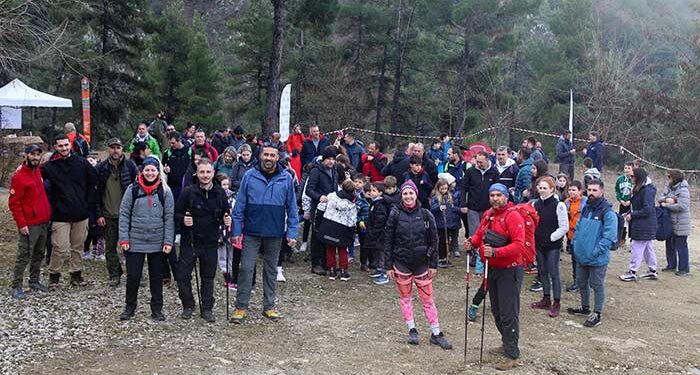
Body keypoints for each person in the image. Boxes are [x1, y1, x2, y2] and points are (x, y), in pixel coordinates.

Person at [231, 143, 299, 323]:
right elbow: (239, 206)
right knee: (246, 268)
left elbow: (292, 208)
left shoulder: (286, 178)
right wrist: (236, 230)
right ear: (261, 156)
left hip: (275, 232)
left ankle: (269, 306)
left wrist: (292, 232)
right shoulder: (249, 176)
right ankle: (240, 307)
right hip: (251, 231)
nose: (269, 158)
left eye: (272, 155)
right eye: (266, 155)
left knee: (271, 270)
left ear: (277, 158)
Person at [464, 183, 527, 370]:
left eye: (499, 195)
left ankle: (512, 355)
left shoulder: (513, 216)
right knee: (497, 311)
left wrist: (496, 253)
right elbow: (479, 235)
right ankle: (507, 344)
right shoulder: (488, 214)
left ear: (506, 197)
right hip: (492, 269)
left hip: (510, 270)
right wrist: (471, 243)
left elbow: (519, 245)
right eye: (492, 195)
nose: (495, 198)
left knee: (509, 312)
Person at [384, 180, 452, 350]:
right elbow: (388, 240)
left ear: (416, 194)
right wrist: (387, 265)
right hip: (401, 263)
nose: (408, 196)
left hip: (422, 263)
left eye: (411, 193)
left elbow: (434, 240)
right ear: (401, 195)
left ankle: (436, 333)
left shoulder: (426, 214)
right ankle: (412, 329)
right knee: (405, 298)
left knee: (428, 300)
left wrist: (433, 264)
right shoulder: (394, 214)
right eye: (405, 193)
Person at [118, 157, 175, 321]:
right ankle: (130, 307)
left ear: (159, 172)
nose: (150, 173)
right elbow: (124, 214)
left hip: (157, 241)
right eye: (147, 170)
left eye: (153, 170)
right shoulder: (133, 189)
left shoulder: (165, 191)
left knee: (156, 277)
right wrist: (124, 238)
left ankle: (157, 309)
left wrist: (168, 241)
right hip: (135, 240)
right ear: (142, 171)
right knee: (133, 276)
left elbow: (168, 218)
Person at [175, 158, 232, 322]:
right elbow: (176, 213)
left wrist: (226, 220)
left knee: (208, 277)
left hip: (211, 241)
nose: (205, 175)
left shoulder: (220, 193)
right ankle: (188, 305)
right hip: (190, 240)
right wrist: (183, 220)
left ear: (213, 173)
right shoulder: (188, 192)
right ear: (197, 173)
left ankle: (207, 308)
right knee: (183, 276)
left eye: (208, 172)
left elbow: (225, 213)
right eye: (202, 172)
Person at [41, 134, 98, 288]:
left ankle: (76, 275)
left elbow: (95, 182)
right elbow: (35, 180)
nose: (64, 148)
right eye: (60, 146)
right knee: (59, 246)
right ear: (55, 147)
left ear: (70, 145)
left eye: (66, 145)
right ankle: (54, 276)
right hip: (60, 214)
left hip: (81, 213)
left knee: (78, 247)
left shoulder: (82, 163)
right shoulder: (50, 167)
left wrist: (88, 204)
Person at [567, 179, 617, 327]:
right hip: (582, 256)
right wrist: (575, 244)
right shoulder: (587, 208)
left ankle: (597, 313)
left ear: (601, 192)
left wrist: (596, 251)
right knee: (581, 283)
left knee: (597, 285)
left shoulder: (607, 212)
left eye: (595, 190)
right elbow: (579, 228)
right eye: (589, 190)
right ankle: (585, 307)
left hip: (597, 258)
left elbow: (609, 236)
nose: (591, 193)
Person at [8, 144, 52, 299]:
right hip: (30, 223)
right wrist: (21, 224)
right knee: (24, 255)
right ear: (26, 155)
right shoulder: (19, 177)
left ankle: (34, 281)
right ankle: (16, 286)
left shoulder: (38, 170)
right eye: (32, 154)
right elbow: (14, 203)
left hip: (43, 221)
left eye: (37, 154)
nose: (35, 157)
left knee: (39, 253)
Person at [95, 138, 138, 287]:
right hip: (108, 215)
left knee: (131, 247)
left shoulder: (130, 166)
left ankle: (134, 274)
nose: (115, 150)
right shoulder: (101, 168)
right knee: (110, 248)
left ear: (122, 149)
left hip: (127, 215)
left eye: (118, 147)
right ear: (108, 149)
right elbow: (96, 193)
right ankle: (114, 275)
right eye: (112, 147)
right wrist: (98, 213)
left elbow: (137, 189)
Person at [530, 176, 569, 318]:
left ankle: (556, 302)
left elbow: (564, 227)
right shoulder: (535, 205)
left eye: (545, 188)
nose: (541, 190)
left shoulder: (559, 205)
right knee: (542, 271)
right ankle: (546, 298)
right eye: (539, 188)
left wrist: (550, 237)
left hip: (553, 245)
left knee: (554, 273)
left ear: (552, 189)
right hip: (539, 244)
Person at [619, 168, 658, 282]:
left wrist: (633, 215)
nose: (630, 178)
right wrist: (629, 213)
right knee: (647, 248)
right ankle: (652, 270)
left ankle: (632, 271)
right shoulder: (642, 189)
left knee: (636, 246)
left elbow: (648, 209)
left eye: (632, 176)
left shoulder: (646, 190)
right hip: (644, 224)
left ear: (638, 177)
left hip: (644, 225)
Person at [306, 147, 339, 275]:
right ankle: (316, 263)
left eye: (333, 159)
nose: (331, 162)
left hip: (330, 208)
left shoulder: (334, 170)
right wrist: (319, 197)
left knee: (327, 235)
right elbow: (309, 190)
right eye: (329, 159)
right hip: (318, 208)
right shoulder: (316, 171)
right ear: (324, 159)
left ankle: (326, 262)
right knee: (317, 236)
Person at [317, 180, 357, 281]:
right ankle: (343, 271)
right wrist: (352, 230)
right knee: (342, 250)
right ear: (353, 191)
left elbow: (321, 206)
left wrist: (319, 220)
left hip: (329, 224)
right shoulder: (351, 204)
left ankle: (332, 271)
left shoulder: (331, 196)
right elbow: (352, 219)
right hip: (343, 228)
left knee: (330, 249)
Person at [658, 169, 691, 276]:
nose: (668, 179)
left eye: (669, 177)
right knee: (670, 245)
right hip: (669, 222)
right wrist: (670, 199)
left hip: (681, 223)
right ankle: (671, 265)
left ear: (675, 178)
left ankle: (683, 269)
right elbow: (660, 198)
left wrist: (668, 205)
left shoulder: (683, 189)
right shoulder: (668, 187)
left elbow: (683, 206)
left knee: (681, 246)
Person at [461, 151, 498, 239]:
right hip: (473, 207)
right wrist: (463, 203)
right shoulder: (470, 171)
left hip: (488, 207)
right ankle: (473, 251)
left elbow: (497, 189)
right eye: (477, 161)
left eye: (481, 162)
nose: (478, 164)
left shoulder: (494, 172)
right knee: (474, 232)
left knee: (487, 232)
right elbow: (463, 188)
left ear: (487, 160)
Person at [430, 176, 463, 268]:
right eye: (442, 188)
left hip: (447, 223)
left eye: (445, 188)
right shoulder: (435, 197)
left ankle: (445, 257)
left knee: (446, 240)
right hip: (439, 224)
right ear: (438, 188)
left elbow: (451, 208)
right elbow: (432, 208)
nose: (444, 190)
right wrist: (439, 207)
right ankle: (441, 258)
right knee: (441, 241)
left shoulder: (448, 197)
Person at [366, 182, 391, 284]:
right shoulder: (375, 203)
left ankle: (385, 273)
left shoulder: (380, 205)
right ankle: (379, 269)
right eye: (371, 190)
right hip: (375, 233)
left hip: (380, 234)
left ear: (380, 193)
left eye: (373, 191)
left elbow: (380, 220)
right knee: (377, 252)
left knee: (381, 253)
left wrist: (374, 231)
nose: (371, 193)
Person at [564, 181, 586, 292]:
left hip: (582, 235)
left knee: (581, 259)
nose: (571, 192)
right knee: (574, 259)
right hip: (571, 235)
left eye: (574, 190)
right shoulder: (566, 202)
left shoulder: (585, 202)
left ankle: (582, 282)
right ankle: (576, 281)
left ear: (580, 191)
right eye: (569, 190)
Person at [216, 174, 237, 289]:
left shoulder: (233, 197)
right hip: (220, 230)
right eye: (223, 184)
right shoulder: (216, 197)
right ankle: (226, 274)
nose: (225, 187)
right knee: (222, 254)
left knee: (231, 253)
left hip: (230, 228)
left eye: (226, 184)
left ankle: (231, 273)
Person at [162, 131, 192, 203]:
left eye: (173, 143)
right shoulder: (167, 153)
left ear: (179, 140)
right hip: (172, 184)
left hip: (186, 184)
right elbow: (163, 166)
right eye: (170, 143)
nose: (171, 145)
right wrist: (165, 169)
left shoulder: (189, 151)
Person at [614, 162, 634, 243]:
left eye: (629, 168)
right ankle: (621, 238)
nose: (627, 170)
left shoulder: (634, 179)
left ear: (632, 169)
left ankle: (632, 239)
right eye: (625, 168)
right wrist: (620, 199)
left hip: (631, 204)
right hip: (622, 203)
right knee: (621, 220)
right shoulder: (620, 179)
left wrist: (631, 201)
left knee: (631, 221)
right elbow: (617, 190)